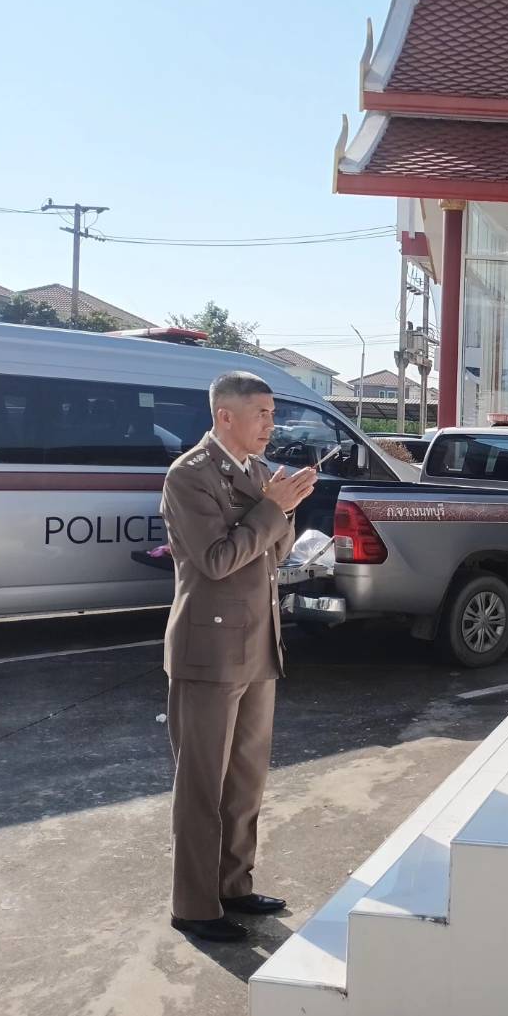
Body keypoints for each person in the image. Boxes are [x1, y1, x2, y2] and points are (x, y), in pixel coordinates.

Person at [161, 372, 316, 943]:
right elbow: (217, 559)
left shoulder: (255, 472)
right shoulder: (190, 475)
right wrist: (272, 507)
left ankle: (233, 885)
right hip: (209, 649)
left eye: (273, 413)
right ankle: (194, 905)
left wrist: (285, 508)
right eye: (262, 413)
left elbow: (275, 551)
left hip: (257, 644)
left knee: (246, 779)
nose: (271, 424)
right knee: (202, 784)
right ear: (225, 415)